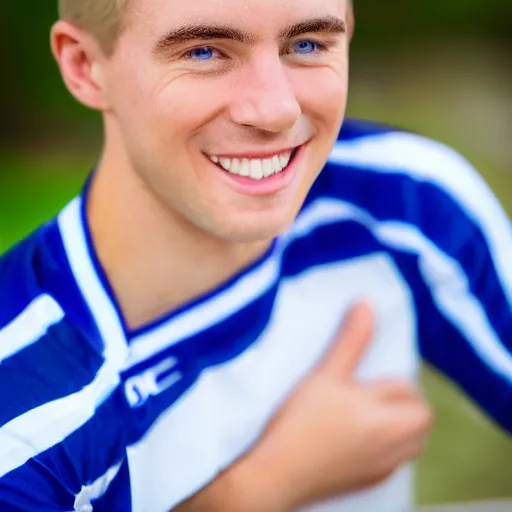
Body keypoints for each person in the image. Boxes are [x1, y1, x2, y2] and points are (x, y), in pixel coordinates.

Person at [0, 0, 510, 510]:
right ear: (85, 66)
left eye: (307, 45)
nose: (276, 109)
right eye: (203, 52)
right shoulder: (21, 417)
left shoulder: (402, 204)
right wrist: (258, 489)